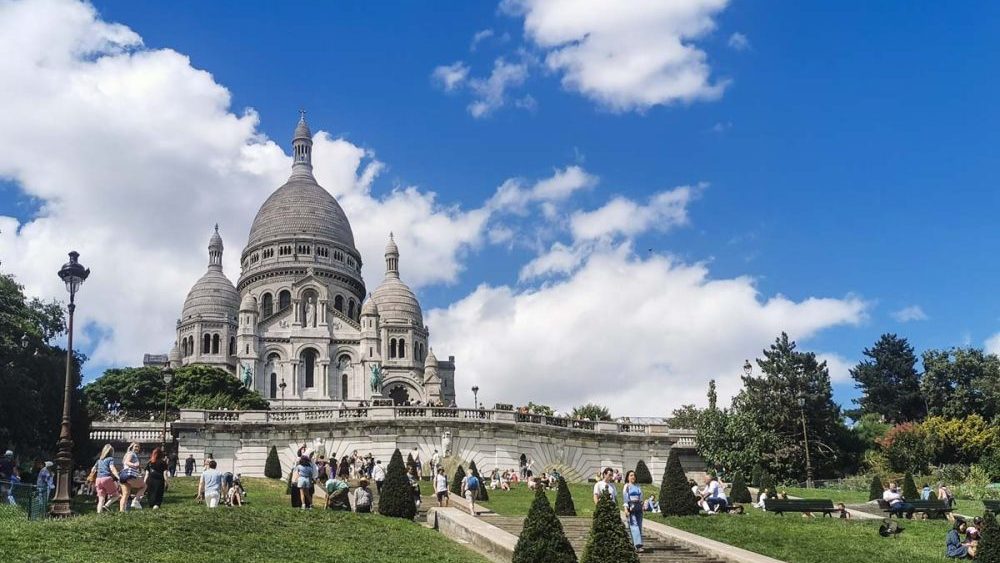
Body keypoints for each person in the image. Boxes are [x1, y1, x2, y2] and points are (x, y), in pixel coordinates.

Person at [622, 470, 645, 553]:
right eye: (631, 475)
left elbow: (641, 498)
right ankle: (638, 545)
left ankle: (635, 544)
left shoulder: (638, 486)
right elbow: (625, 498)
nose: (633, 477)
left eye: (634, 475)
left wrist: (642, 506)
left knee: (639, 525)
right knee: (634, 525)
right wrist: (626, 509)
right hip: (631, 507)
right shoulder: (626, 486)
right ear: (628, 477)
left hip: (638, 507)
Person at [119, 443, 147, 511]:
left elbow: (125, 463)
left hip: (123, 475)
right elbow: (127, 462)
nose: (137, 448)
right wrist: (135, 464)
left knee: (125, 494)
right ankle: (135, 501)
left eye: (138, 447)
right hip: (129, 474)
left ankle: (121, 511)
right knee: (144, 486)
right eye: (136, 446)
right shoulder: (132, 453)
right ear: (132, 447)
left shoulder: (127, 454)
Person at [93, 445, 120, 513]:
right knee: (116, 496)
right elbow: (112, 468)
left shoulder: (99, 460)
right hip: (106, 478)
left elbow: (93, 470)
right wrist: (118, 477)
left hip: (98, 480)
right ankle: (106, 505)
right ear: (111, 452)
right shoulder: (110, 459)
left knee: (101, 499)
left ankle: (99, 515)